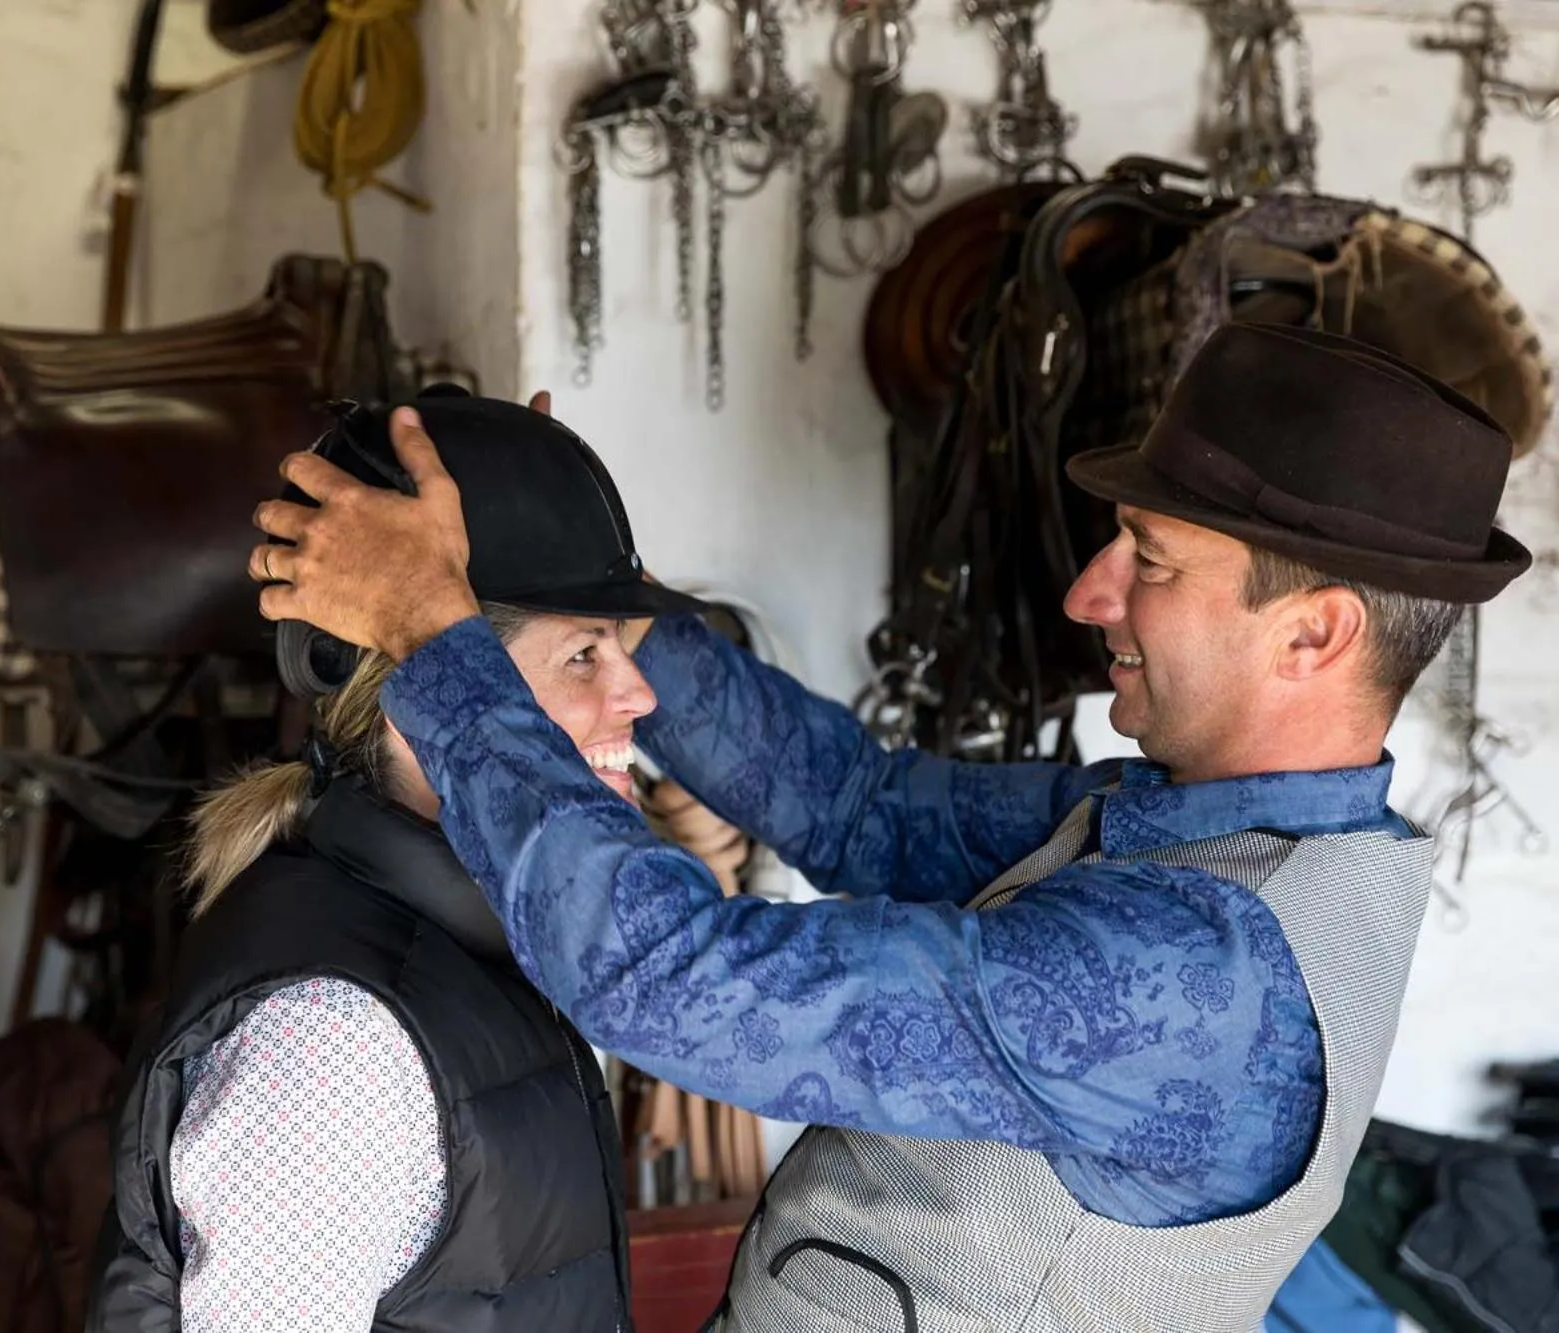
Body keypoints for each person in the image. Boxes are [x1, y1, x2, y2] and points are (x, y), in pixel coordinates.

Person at [243, 322, 1533, 1330]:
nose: (1089, 594)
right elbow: (855, 804)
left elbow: (673, 977)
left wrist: (438, 639)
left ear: (1313, 634)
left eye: (1146, 560)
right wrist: (566, 574)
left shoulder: (1192, 981)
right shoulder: (1172, 832)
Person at [87, 389, 717, 1333]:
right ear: (420, 699)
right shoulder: (338, 1048)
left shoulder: (486, 941)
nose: (639, 693)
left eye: (622, 646)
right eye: (583, 656)